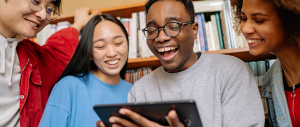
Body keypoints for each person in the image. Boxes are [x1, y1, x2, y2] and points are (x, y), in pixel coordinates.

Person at [97, 0, 265, 127]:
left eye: (173, 26)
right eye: (153, 29)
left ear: (194, 30)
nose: (161, 37)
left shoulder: (231, 72)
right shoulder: (140, 90)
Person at [0, 0, 98, 125]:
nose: (43, 15)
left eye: (49, 9)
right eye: (35, 1)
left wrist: (76, 26)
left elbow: (58, 55)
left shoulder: (33, 57)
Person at [38, 14, 132, 127]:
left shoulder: (135, 92)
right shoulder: (69, 86)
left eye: (118, 43)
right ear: (90, 53)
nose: (112, 53)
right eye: (101, 46)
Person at [231, 0, 300, 126]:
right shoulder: (270, 79)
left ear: (291, 20)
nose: (245, 29)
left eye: (259, 20)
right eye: (244, 18)